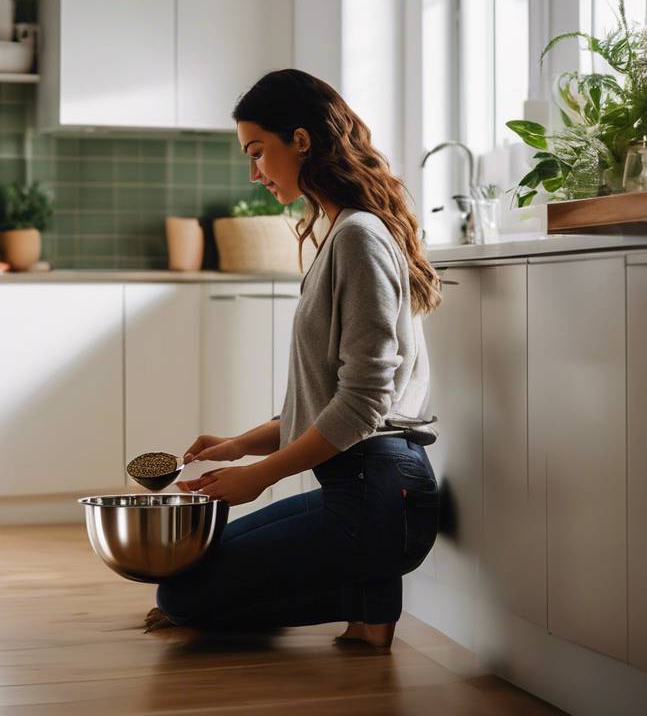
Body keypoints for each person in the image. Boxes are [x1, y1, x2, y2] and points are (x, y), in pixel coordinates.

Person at [148, 69, 442, 650]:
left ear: (301, 140)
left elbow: (363, 406)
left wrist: (259, 476)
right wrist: (238, 446)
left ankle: (370, 591)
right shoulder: (339, 231)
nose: (253, 172)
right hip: (360, 486)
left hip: (381, 491)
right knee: (184, 573)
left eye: (258, 152)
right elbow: (329, 406)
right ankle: (366, 598)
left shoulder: (359, 236)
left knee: (179, 596)